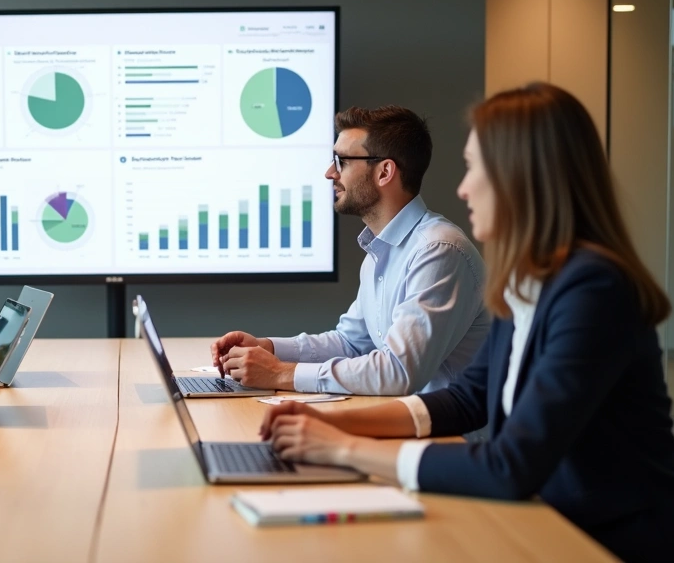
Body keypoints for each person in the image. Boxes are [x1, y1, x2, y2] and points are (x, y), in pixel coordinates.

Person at [261, 83, 674, 562]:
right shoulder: (527, 282)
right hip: (552, 523)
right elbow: (466, 399)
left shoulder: (594, 291)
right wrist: (324, 422)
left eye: (474, 168)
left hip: (625, 541)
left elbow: (512, 464)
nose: (463, 187)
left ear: (522, 177)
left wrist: (344, 448)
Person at [210, 106, 489, 395]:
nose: (330, 173)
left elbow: (399, 372)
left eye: (341, 161)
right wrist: (268, 347)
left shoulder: (438, 251)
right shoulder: (380, 250)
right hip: (404, 422)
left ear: (384, 172)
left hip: (448, 435)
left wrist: (281, 374)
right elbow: (352, 343)